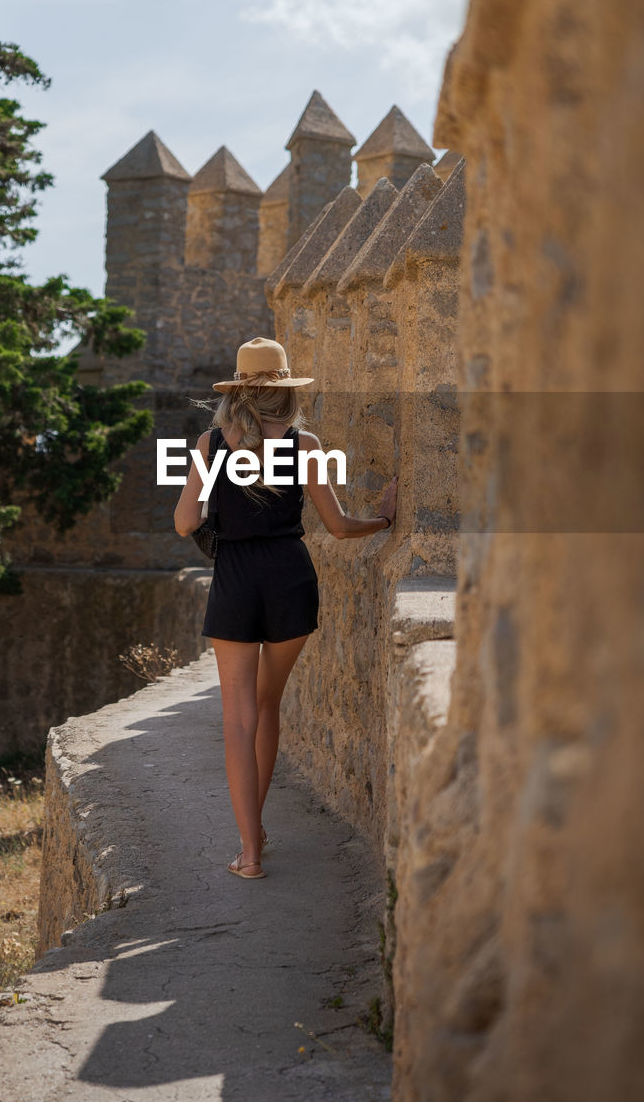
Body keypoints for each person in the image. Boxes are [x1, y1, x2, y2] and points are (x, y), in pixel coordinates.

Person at [173, 337, 398, 880]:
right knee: (268, 706)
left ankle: (249, 854)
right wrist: (384, 520)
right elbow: (340, 527)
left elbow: (183, 524)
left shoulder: (210, 443)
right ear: (286, 389)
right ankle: (258, 828)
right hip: (290, 578)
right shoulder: (306, 443)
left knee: (236, 718)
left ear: (238, 389)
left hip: (235, 580)